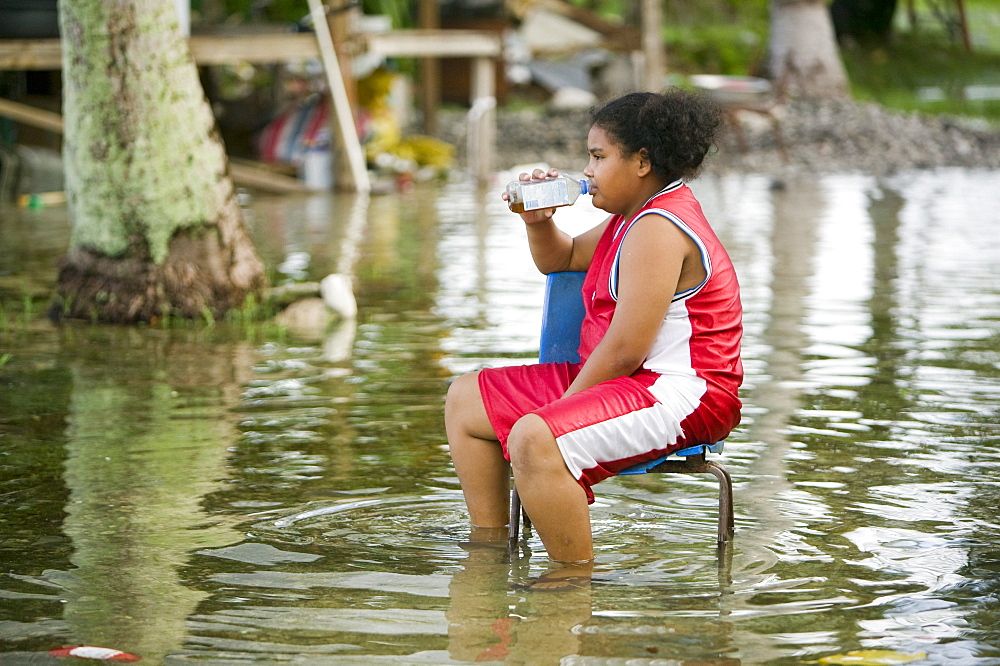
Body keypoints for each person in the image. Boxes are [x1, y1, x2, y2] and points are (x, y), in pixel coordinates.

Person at [444, 89, 743, 580]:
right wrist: (538, 221)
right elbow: (559, 260)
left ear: (642, 162)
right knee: (465, 399)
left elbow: (626, 350)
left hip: (683, 392)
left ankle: (571, 588)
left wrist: (551, 416)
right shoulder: (628, 220)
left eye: (599, 156)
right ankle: (489, 557)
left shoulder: (659, 228)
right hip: (626, 381)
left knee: (535, 438)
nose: (586, 170)